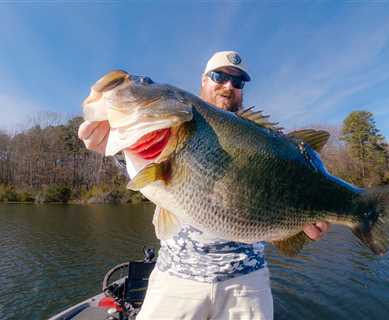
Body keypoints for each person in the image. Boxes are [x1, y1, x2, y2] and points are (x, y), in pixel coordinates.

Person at [78, 51, 330, 320]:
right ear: (203, 80)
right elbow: (146, 168)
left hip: (247, 284)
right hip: (176, 278)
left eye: (238, 82)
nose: (228, 86)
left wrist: (308, 219)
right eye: (219, 76)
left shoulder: (264, 144)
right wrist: (115, 148)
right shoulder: (179, 122)